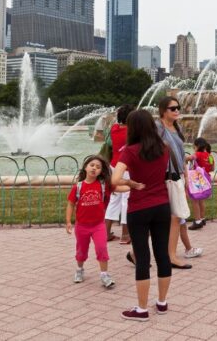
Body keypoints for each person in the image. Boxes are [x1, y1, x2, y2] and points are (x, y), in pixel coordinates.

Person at [112, 110, 172, 321]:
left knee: (142, 256)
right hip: (162, 205)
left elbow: (114, 180)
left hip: (139, 208)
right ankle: (162, 303)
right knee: (162, 254)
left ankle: (141, 308)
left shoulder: (130, 151)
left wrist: (131, 183)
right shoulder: (164, 148)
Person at [66, 155, 127, 288]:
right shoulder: (78, 187)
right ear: (86, 167)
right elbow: (71, 204)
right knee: (81, 251)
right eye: (92, 165)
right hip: (82, 226)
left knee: (102, 248)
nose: (94, 168)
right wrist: (68, 221)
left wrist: (132, 186)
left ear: (101, 171)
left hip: (99, 225)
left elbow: (119, 188)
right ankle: (79, 270)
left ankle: (104, 275)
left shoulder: (103, 185)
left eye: (98, 167)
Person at [156, 96, 203, 266]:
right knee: (174, 217)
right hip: (165, 177)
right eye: (172, 108)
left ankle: (137, 253)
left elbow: (180, 154)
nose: (177, 111)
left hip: (177, 177)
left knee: (171, 218)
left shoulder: (176, 127)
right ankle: (171, 257)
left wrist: (185, 175)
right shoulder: (158, 127)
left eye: (178, 108)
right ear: (163, 110)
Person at [105, 104, 134, 244]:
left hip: (113, 166)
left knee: (113, 198)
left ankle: (105, 233)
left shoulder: (114, 129)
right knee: (127, 200)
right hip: (127, 167)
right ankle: (125, 234)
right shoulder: (132, 131)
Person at [186, 137, 214, 230]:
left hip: (197, 180)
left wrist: (182, 158)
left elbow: (189, 158)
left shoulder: (197, 154)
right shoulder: (210, 155)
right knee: (201, 200)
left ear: (197, 146)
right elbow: (212, 168)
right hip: (206, 179)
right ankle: (202, 219)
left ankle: (197, 221)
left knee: (195, 200)